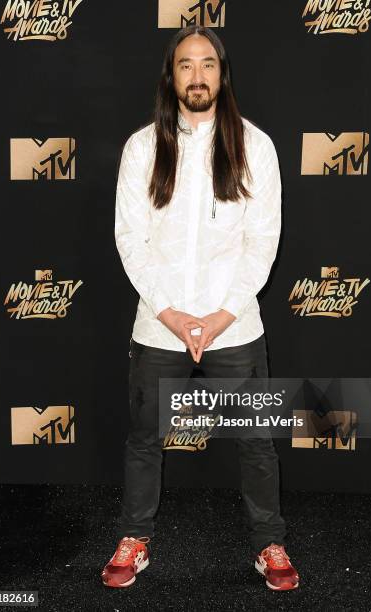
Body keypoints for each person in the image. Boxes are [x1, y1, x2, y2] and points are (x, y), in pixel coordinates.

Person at [101, 25, 299, 592]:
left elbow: (263, 242)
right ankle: (134, 536)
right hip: (158, 325)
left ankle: (270, 543)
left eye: (206, 64)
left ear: (221, 73)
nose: (196, 75)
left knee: (256, 440)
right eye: (185, 65)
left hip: (234, 325)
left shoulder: (255, 147)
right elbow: (129, 240)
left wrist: (220, 316)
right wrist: (169, 313)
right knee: (144, 437)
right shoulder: (142, 148)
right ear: (172, 75)